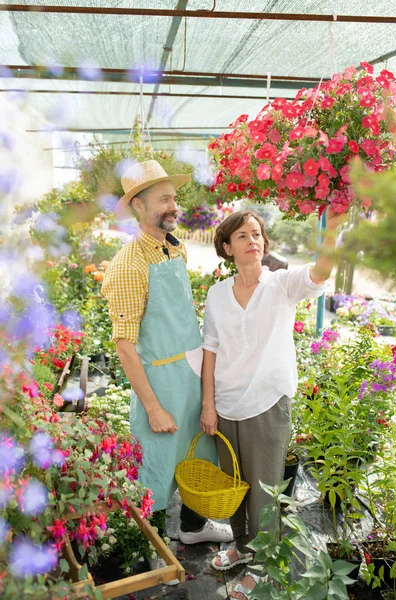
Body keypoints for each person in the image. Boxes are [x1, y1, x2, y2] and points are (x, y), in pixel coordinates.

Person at [200, 209, 343, 599]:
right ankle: (241, 545)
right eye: (243, 236)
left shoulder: (280, 285)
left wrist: (331, 232)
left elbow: (319, 274)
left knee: (265, 492)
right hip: (226, 403)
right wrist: (208, 404)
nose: (253, 240)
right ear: (227, 247)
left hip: (267, 403)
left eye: (258, 233)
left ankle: (262, 565)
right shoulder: (217, 294)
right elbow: (210, 349)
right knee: (235, 485)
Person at [102, 160, 233, 580]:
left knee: (199, 451)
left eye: (173, 197)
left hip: (190, 372)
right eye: (163, 199)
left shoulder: (173, 245)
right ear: (138, 206)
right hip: (159, 380)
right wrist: (153, 407)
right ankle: (152, 544)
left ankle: (193, 528)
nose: (172, 205)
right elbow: (124, 346)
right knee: (156, 468)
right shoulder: (128, 264)